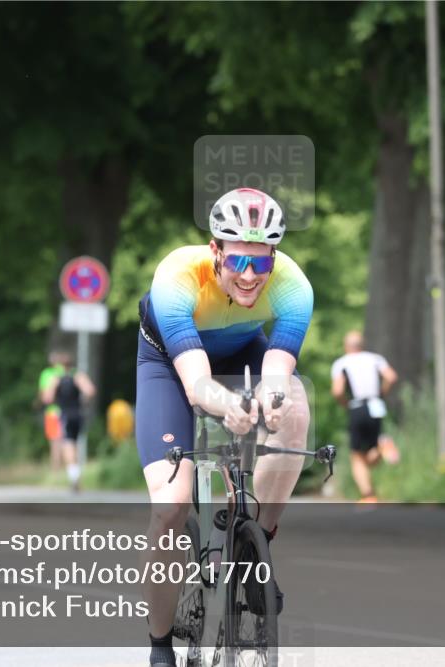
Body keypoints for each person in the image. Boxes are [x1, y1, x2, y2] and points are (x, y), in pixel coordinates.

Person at [135, 187, 313, 667]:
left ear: (275, 255)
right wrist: (227, 403)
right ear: (215, 250)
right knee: (170, 508)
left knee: (294, 408)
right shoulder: (177, 275)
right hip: (170, 364)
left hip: (240, 349)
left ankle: (259, 545)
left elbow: (277, 371)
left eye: (262, 262)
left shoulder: (294, 286)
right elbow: (196, 383)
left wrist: (271, 402)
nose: (250, 276)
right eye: (238, 261)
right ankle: (159, 644)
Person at [331, 330, 399, 503]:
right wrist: (381, 394)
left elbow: (338, 391)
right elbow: (391, 377)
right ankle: (381, 446)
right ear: (363, 345)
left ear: (347, 346)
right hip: (377, 405)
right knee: (369, 452)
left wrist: (345, 403)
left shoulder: (342, 363)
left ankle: (368, 495)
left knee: (356, 455)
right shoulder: (375, 359)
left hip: (357, 407)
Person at [49, 351, 96, 493]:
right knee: (74, 444)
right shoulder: (78, 376)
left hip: (65, 415)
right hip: (78, 414)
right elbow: (90, 391)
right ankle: (75, 476)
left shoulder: (57, 378)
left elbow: (48, 398)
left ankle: (74, 477)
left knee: (68, 446)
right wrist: (84, 400)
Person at [38, 352, 67, 473]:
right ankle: (66, 467)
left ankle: (56, 468)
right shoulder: (66, 371)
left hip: (52, 411)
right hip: (66, 410)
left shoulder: (46, 374)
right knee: (65, 439)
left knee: (55, 441)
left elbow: (44, 396)